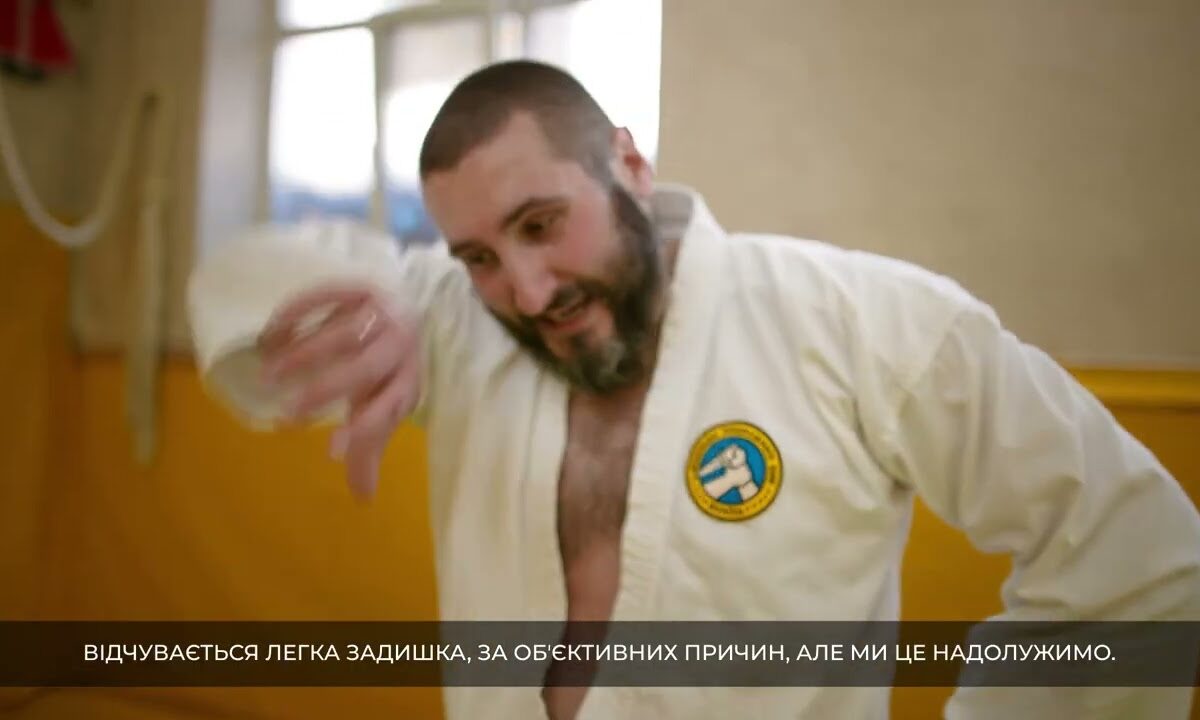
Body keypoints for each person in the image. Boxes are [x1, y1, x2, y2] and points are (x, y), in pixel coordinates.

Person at [202, 60, 1200, 719]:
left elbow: (1139, 556)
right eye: (479, 257)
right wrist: (381, 297)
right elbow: (237, 279)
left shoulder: (855, 322)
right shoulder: (458, 321)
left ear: (629, 164)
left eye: (542, 225)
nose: (527, 291)